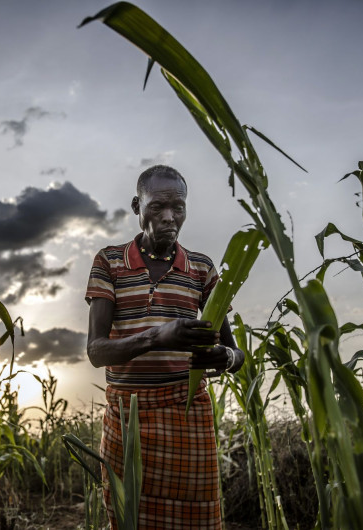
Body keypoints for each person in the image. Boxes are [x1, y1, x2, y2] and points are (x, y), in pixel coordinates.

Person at [85, 164, 245, 529]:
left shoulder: (202, 269)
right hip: (128, 419)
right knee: (129, 520)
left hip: (187, 414)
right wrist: (159, 336)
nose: (170, 218)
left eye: (179, 207)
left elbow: (237, 355)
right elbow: (96, 352)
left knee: (198, 520)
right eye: (157, 207)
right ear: (136, 206)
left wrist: (224, 357)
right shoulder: (109, 262)